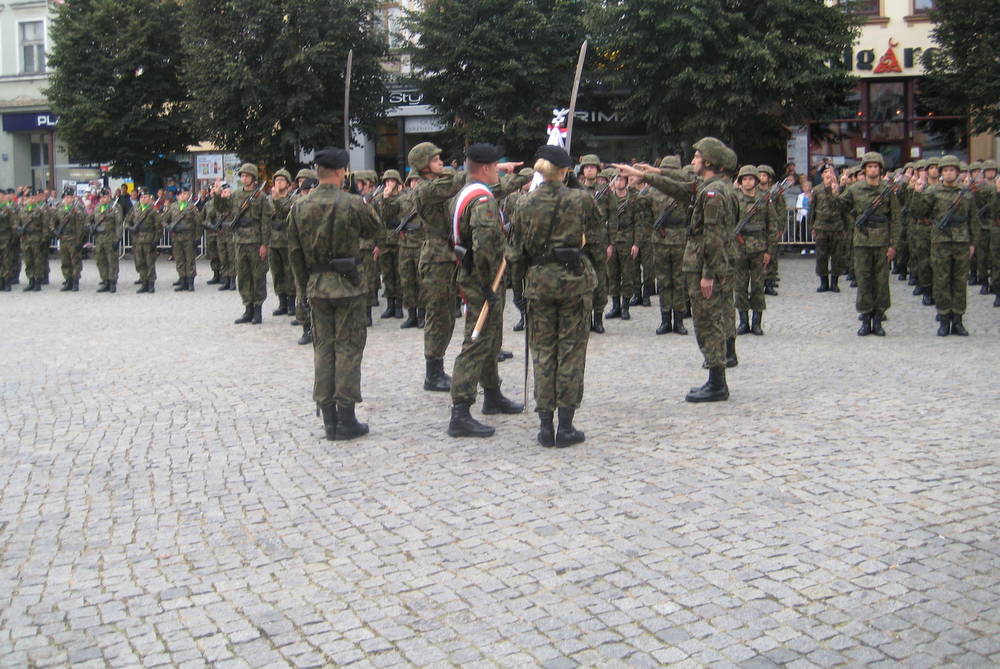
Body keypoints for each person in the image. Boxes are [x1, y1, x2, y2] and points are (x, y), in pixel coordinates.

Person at [616, 137, 737, 402]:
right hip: (709, 265)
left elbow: (713, 237)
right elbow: (679, 187)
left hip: (706, 268)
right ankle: (715, 378)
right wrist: (642, 174)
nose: (692, 161)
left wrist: (707, 274)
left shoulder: (713, 193)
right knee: (710, 321)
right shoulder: (712, 186)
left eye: (696, 157)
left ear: (708, 162)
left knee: (708, 323)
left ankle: (717, 383)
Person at [408, 142, 526, 392]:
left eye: (440, 157)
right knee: (440, 315)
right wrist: (484, 168)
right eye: (435, 158)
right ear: (422, 165)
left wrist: (521, 176)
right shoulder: (425, 189)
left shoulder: (450, 182)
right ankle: (434, 371)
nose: (441, 161)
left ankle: (486, 362)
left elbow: (491, 187)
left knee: (477, 311)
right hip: (438, 258)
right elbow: (465, 180)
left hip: (458, 254)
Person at [287, 147, 380, 441]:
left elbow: (294, 253)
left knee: (323, 351)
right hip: (348, 286)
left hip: (317, 286)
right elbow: (377, 230)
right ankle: (346, 418)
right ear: (341, 172)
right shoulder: (352, 203)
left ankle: (328, 417)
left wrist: (305, 287)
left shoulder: (300, 206)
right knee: (348, 349)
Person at [515, 145, 602, 446]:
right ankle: (565, 426)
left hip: (539, 283)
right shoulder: (581, 199)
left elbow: (516, 252)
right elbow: (598, 239)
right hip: (575, 283)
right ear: (565, 172)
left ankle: (544, 425)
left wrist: (519, 291)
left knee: (542, 352)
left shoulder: (524, 203)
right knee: (570, 352)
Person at [445, 143, 525, 438]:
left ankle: (492, 394)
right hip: (483, 280)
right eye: (496, 167)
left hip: (473, 276)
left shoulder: (462, 194)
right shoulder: (482, 201)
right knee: (476, 341)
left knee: (491, 338)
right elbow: (484, 248)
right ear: (486, 168)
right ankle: (460, 410)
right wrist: (486, 283)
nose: (498, 171)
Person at [910, 155, 978, 335]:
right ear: (941, 173)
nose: (949, 173)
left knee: (959, 281)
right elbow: (917, 212)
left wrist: (973, 243)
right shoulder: (932, 192)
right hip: (940, 241)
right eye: (945, 170)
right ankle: (944, 318)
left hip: (961, 241)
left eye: (952, 170)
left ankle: (958, 319)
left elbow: (973, 220)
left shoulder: (966, 193)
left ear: (957, 172)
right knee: (941, 280)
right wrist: (917, 192)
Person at [835, 151, 901, 336]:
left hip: (881, 243)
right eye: (869, 166)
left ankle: (878, 320)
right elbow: (839, 206)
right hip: (862, 242)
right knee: (863, 281)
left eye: (875, 167)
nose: (873, 169)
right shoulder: (855, 189)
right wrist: (837, 188)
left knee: (881, 282)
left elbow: (895, 219)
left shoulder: (887, 191)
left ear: (880, 169)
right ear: (864, 170)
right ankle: (865, 319)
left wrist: (893, 245)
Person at [212, 164, 273, 325]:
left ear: (253, 178)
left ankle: (258, 310)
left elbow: (266, 222)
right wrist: (217, 195)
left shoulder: (260, 197)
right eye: (242, 176)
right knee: (243, 276)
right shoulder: (236, 195)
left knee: (258, 275)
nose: (243, 178)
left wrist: (264, 244)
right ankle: (248, 309)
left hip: (255, 241)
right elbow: (222, 208)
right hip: (239, 240)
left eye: (247, 175)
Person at [732, 165, 777, 336]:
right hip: (740, 248)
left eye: (751, 178)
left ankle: (756, 323)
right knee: (740, 286)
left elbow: (772, 226)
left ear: (756, 181)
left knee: (758, 285)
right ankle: (743, 322)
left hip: (759, 248)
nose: (748, 181)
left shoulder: (764, 199)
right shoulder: (735, 198)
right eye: (744, 179)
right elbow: (730, 223)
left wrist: (769, 251)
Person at [648, 156, 689, 335]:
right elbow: (646, 216)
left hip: (680, 238)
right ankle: (665, 319)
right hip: (660, 240)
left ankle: (679, 320)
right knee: (664, 281)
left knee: (679, 281)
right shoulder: (652, 192)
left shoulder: (686, 193)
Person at [578, 154, 609, 333]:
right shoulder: (577, 191)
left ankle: (598, 318)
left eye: (593, 167)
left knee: (600, 280)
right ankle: (585, 318)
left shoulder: (605, 191)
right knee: (583, 281)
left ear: (598, 170)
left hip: (599, 241)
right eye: (586, 167)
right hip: (581, 242)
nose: (589, 169)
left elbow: (612, 217)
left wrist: (610, 242)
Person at [603, 170, 639, 321]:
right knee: (613, 275)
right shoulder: (608, 199)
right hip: (612, 240)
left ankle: (625, 307)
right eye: (616, 180)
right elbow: (604, 222)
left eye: (621, 179)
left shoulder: (633, 199)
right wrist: (607, 243)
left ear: (626, 182)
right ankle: (615, 306)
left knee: (628, 275)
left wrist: (636, 243)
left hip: (627, 240)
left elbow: (638, 223)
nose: (619, 182)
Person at [396, 173, 426, 329]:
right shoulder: (402, 200)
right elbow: (388, 215)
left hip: (421, 244)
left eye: (418, 180)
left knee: (422, 281)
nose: (416, 183)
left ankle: (422, 314)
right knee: (407, 281)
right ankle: (411, 315)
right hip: (406, 245)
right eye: (413, 180)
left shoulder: (427, 199)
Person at [373, 169, 404, 319]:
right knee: (387, 274)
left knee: (399, 274)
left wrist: (386, 198)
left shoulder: (403, 198)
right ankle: (390, 304)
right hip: (384, 240)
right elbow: (379, 218)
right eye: (387, 181)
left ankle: (399, 305)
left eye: (392, 181)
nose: (389, 184)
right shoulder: (379, 198)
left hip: (399, 240)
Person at [809, 164, 844, 292]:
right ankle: (823, 282)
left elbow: (843, 208)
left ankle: (834, 283)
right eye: (825, 172)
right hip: (821, 226)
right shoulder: (817, 189)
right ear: (822, 175)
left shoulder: (839, 188)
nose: (828, 174)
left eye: (830, 172)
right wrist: (812, 226)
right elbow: (812, 209)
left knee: (837, 256)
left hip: (836, 226)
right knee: (821, 256)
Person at [164, 188, 202, 291]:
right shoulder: (173, 207)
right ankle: (182, 280)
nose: (183, 196)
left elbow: (198, 222)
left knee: (190, 260)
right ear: (177, 196)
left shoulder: (191, 207)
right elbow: (164, 219)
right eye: (181, 194)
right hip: (176, 238)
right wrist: (168, 227)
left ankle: (190, 282)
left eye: (185, 194)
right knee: (179, 260)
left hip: (189, 237)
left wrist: (198, 237)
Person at [124, 191, 162, 293]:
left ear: (149, 198)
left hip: (149, 239)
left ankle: (151, 284)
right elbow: (127, 221)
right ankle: (144, 282)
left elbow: (158, 227)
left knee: (150, 262)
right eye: (141, 197)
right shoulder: (135, 209)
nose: (143, 199)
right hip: (137, 240)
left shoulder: (153, 211)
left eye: (145, 197)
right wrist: (130, 228)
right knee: (140, 262)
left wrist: (156, 240)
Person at [53, 190, 87, 291]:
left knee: (75, 261)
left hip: (73, 238)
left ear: (73, 198)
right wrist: (55, 231)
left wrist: (79, 241)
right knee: (65, 261)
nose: (67, 199)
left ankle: (75, 282)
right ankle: (68, 281)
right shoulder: (59, 209)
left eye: (69, 197)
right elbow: (53, 221)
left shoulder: (77, 209)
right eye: (65, 197)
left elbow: (80, 226)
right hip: (63, 238)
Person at [91, 189, 124, 293]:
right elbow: (90, 219)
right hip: (99, 238)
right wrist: (91, 226)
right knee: (100, 261)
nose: (102, 199)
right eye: (101, 197)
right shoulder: (97, 207)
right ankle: (105, 281)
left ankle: (112, 282)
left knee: (112, 260)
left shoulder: (115, 208)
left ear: (109, 197)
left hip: (110, 237)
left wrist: (118, 238)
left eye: (104, 197)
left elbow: (119, 224)